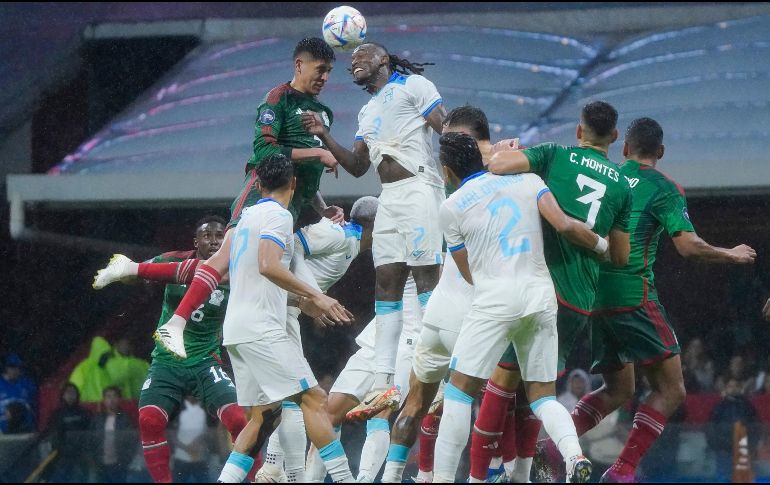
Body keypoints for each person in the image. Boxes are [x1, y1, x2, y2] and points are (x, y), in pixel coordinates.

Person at [93, 37, 348, 358]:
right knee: (222, 260)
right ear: (299, 65)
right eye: (320, 69)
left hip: (288, 208)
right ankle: (174, 323)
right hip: (261, 193)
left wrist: (323, 209)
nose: (325, 78)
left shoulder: (324, 113)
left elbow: (307, 176)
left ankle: (130, 270)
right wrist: (317, 151)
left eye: (329, 72)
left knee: (229, 272)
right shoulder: (278, 99)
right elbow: (265, 151)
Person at [558, 117, 756, 482]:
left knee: (620, 389)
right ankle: (622, 471)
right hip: (633, 295)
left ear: (626, 148)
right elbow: (689, 247)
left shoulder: (609, 176)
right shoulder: (664, 187)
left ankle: (551, 451)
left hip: (595, 295)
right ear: (660, 152)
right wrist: (731, 254)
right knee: (672, 389)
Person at [431, 132, 612, 483]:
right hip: (542, 297)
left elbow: (467, 272)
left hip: (495, 300)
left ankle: (443, 479)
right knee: (542, 397)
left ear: (448, 169)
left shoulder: (451, 207)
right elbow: (563, 224)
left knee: (458, 392)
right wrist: (602, 245)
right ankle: (574, 456)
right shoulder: (529, 180)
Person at [471, 100, 633, 482]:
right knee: (537, 393)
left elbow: (496, 166)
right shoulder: (623, 188)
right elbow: (621, 257)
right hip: (577, 301)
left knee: (501, 383)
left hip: (535, 284)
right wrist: (595, 244)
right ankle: (522, 474)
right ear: (613, 137)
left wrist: (506, 150)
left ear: (579, 132)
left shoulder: (555, 155)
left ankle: (483, 474)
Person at [302, 42, 447, 415]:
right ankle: (384, 383)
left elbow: (444, 128)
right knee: (386, 284)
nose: (354, 63)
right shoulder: (367, 111)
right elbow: (356, 166)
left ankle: (442, 376)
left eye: (362, 57)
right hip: (390, 197)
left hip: (419, 188)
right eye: (351, 62)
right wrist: (323, 135)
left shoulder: (414, 85)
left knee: (427, 279)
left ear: (383, 60)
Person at [216, 153, 354, 483]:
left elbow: (250, 275)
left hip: (236, 329)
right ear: (293, 183)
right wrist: (314, 293)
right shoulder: (279, 216)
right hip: (262, 329)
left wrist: (301, 303)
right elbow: (268, 264)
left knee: (263, 418)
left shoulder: (246, 217)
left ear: (259, 185)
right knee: (315, 401)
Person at [707, 378, 759, 481]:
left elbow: (756, 426)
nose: (733, 388)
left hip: (743, 448)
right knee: (723, 476)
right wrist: (716, 444)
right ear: (726, 389)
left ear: (740, 388)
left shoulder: (748, 406)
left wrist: (752, 444)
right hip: (724, 449)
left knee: (743, 477)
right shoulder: (719, 407)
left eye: (736, 386)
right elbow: (710, 427)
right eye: (731, 386)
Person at [43, 383, 92, 483]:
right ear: (63, 395)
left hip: (81, 457)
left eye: (73, 392)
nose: (70, 395)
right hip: (62, 457)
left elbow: (91, 433)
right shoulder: (56, 414)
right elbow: (52, 435)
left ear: (77, 395)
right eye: (68, 392)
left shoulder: (85, 413)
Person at [90, 386, 137, 483]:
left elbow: (132, 442)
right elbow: (91, 440)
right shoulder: (97, 419)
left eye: (114, 396)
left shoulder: (125, 419)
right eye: (108, 396)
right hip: (100, 465)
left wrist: (126, 460)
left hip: (119, 465)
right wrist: (93, 460)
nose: (111, 400)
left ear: (119, 399)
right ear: (104, 400)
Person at [69, 336, 114, 403]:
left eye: (108, 355)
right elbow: (74, 389)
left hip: (104, 408)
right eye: (104, 355)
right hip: (86, 407)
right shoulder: (83, 368)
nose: (107, 358)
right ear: (98, 353)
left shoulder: (106, 371)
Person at [0, 353, 37, 433]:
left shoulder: (27, 384)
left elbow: (33, 407)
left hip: (24, 429)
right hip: (2, 432)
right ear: (6, 368)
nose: (14, 370)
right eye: (11, 367)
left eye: (17, 367)